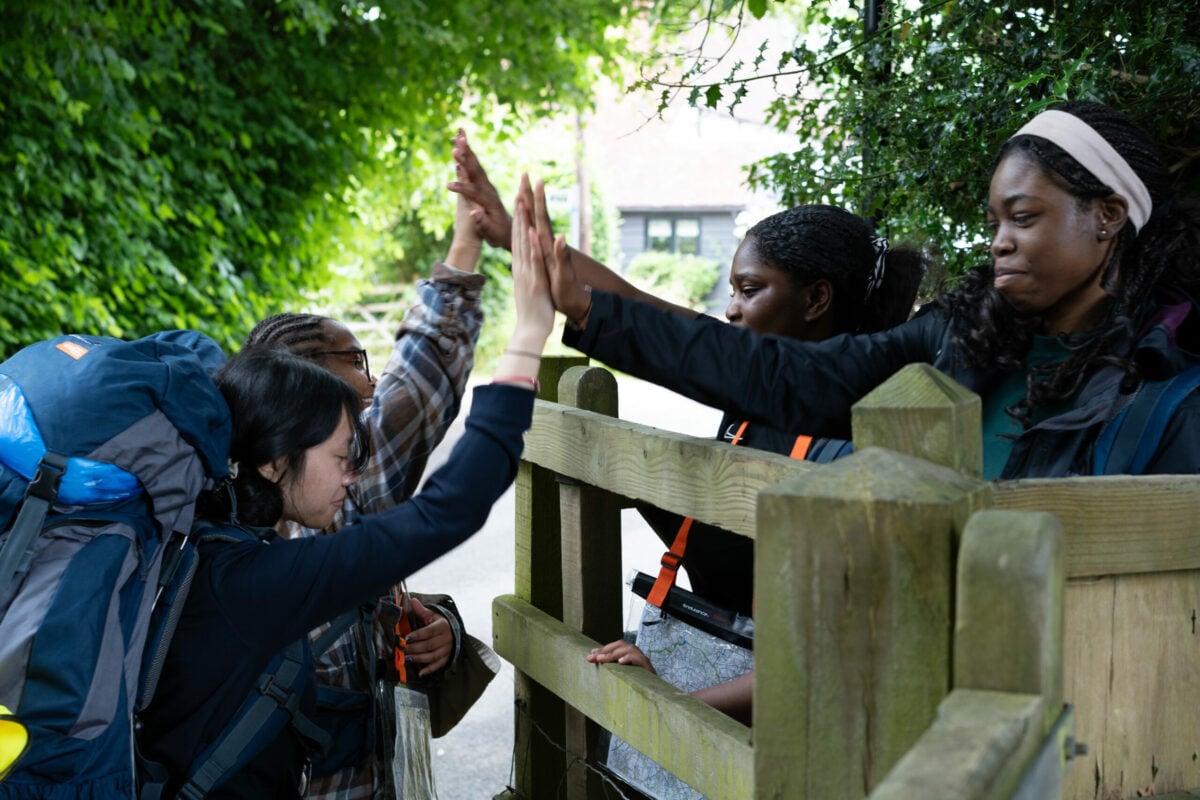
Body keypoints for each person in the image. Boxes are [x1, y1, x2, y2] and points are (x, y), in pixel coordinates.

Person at [449, 139, 926, 724]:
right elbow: (640, 309)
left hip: (797, 728)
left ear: (816, 299)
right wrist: (513, 239)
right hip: (726, 689)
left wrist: (676, 708)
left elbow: (842, 643)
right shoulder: (753, 385)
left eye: (750, 290)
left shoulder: (868, 428)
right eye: (731, 290)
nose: (728, 310)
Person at [518, 100, 1200, 482]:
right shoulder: (958, 341)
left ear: (1108, 216)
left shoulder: (1168, 391)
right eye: (993, 222)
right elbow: (779, 372)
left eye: (1024, 217)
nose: (999, 241)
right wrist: (588, 308)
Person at [136, 180, 554, 799]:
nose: (357, 472)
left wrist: (428, 620)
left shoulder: (202, 542)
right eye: (342, 454)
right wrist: (528, 336)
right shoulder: (262, 579)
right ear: (276, 459)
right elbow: (451, 506)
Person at [243, 131, 487, 799]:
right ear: (300, 382)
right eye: (353, 361)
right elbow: (422, 383)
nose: (372, 379)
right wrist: (465, 248)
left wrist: (442, 628)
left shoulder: (229, 494)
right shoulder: (340, 489)